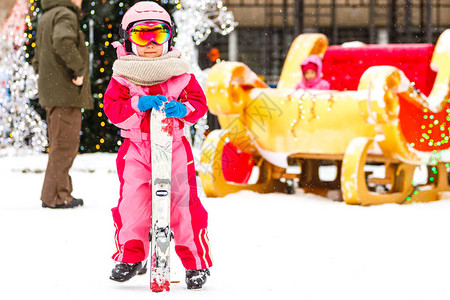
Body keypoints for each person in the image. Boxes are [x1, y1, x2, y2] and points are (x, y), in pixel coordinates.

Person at [103, 1, 212, 290]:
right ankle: (131, 256)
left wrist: (184, 109)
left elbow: (199, 106)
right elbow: (113, 110)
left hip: (174, 147)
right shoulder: (123, 74)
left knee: (183, 206)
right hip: (136, 150)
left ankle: (195, 263)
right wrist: (137, 103)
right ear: (129, 39)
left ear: (169, 37)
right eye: (142, 35)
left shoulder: (180, 73)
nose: (151, 43)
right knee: (133, 206)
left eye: (158, 34)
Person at [33, 0, 93, 209]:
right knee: (65, 145)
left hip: (53, 91)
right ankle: (56, 196)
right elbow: (62, 41)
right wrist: (78, 70)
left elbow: (38, 55)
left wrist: (43, 75)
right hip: (65, 92)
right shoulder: (65, 15)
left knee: (60, 144)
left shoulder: (47, 15)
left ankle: (60, 191)